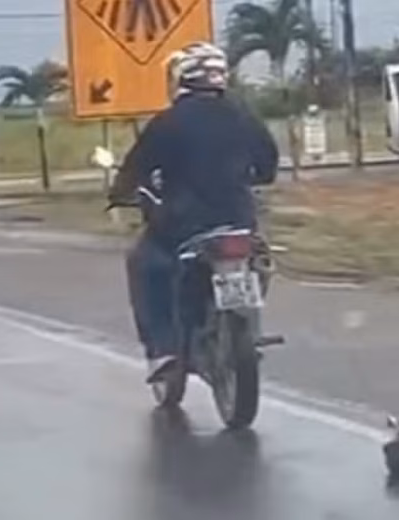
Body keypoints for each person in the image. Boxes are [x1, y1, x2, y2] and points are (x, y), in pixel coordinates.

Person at [107, 41, 279, 383]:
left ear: (182, 78)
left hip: (185, 224)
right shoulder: (243, 115)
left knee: (146, 263)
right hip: (239, 221)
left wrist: (121, 192)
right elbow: (268, 165)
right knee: (258, 259)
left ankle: (164, 349)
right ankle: (242, 322)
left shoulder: (169, 121)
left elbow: (136, 168)